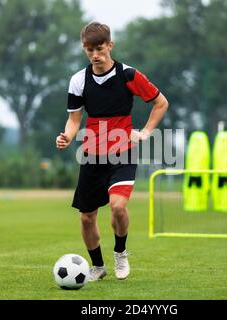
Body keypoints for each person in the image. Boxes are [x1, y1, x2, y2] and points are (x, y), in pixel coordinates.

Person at [56, 21, 169, 281]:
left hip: (123, 151)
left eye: (99, 48)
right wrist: (66, 137)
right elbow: (74, 120)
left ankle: (120, 253)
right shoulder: (78, 80)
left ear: (110, 45)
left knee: (118, 207)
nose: (95, 54)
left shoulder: (128, 75)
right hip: (92, 154)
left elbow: (161, 103)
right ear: (84, 49)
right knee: (86, 217)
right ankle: (97, 266)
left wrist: (145, 132)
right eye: (89, 50)